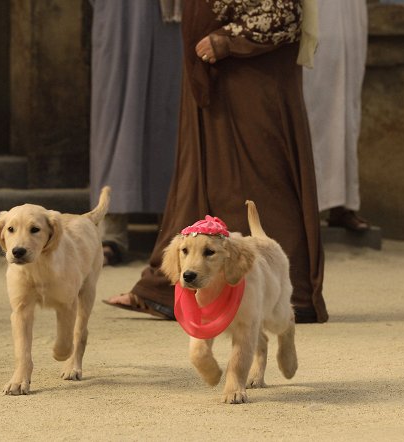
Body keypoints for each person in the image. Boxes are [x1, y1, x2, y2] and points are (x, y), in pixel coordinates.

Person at [104, 0, 329, 324]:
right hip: (222, 76)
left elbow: (285, 14)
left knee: (262, 180)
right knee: (200, 178)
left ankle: (290, 295)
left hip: (250, 75)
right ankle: (165, 289)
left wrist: (225, 40)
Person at [89, 0, 183, 265]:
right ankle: (112, 234)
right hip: (120, 13)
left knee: (171, 114)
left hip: (173, 17)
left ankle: (172, 231)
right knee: (115, 118)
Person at [302, 0, 371, 232]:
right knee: (313, 102)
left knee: (347, 108)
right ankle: (307, 204)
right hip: (314, 12)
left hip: (349, 13)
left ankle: (342, 205)